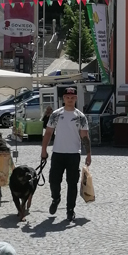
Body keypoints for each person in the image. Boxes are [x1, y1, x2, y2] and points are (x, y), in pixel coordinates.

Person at [41, 86, 91, 223]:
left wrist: (89, 154)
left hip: (74, 154)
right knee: (53, 181)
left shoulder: (80, 116)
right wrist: (43, 150)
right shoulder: (56, 114)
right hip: (58, 153)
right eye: (67, 97)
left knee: (72, 183)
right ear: (63, 98)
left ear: (76, 98)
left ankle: (70, 210)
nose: (70, 100)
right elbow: (48, 133)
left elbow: (85, 136)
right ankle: (56, 198)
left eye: (72, 97)